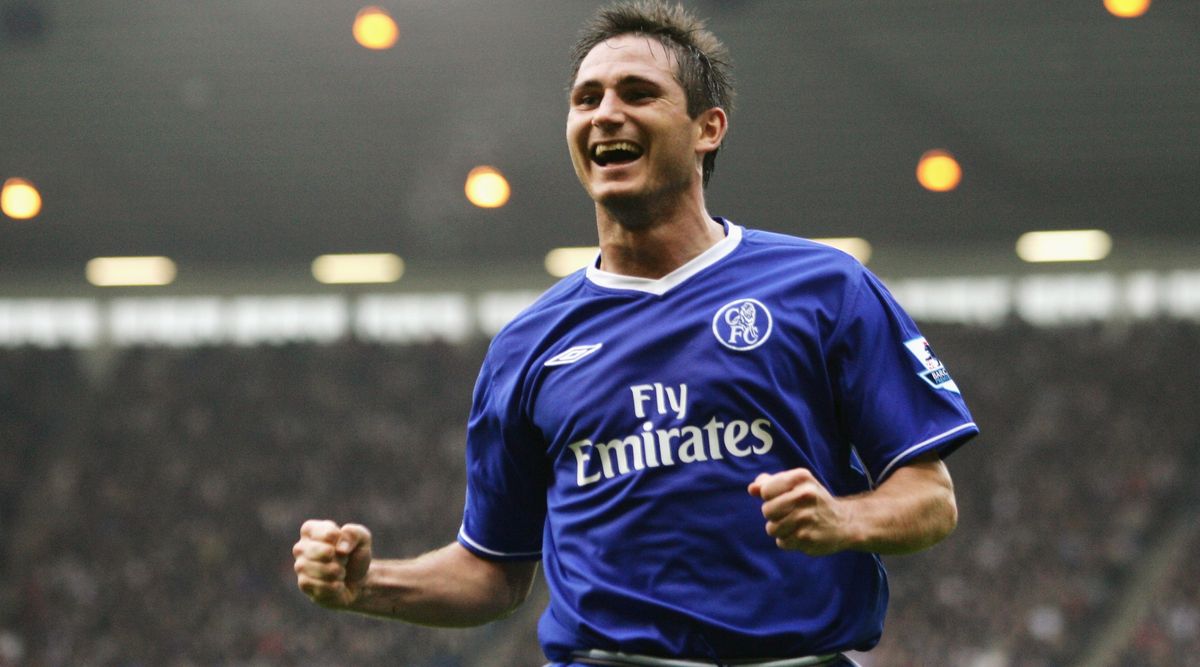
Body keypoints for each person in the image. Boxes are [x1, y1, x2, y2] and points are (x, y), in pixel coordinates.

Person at [293, 2, 978, 665]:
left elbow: (929, 496)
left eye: (637, 92)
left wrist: (841, 519)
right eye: (586, 98)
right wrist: (368, 583)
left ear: (708, 127)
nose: (606, 113)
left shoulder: (823, 287)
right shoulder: (528, 344)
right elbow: (492, 571)